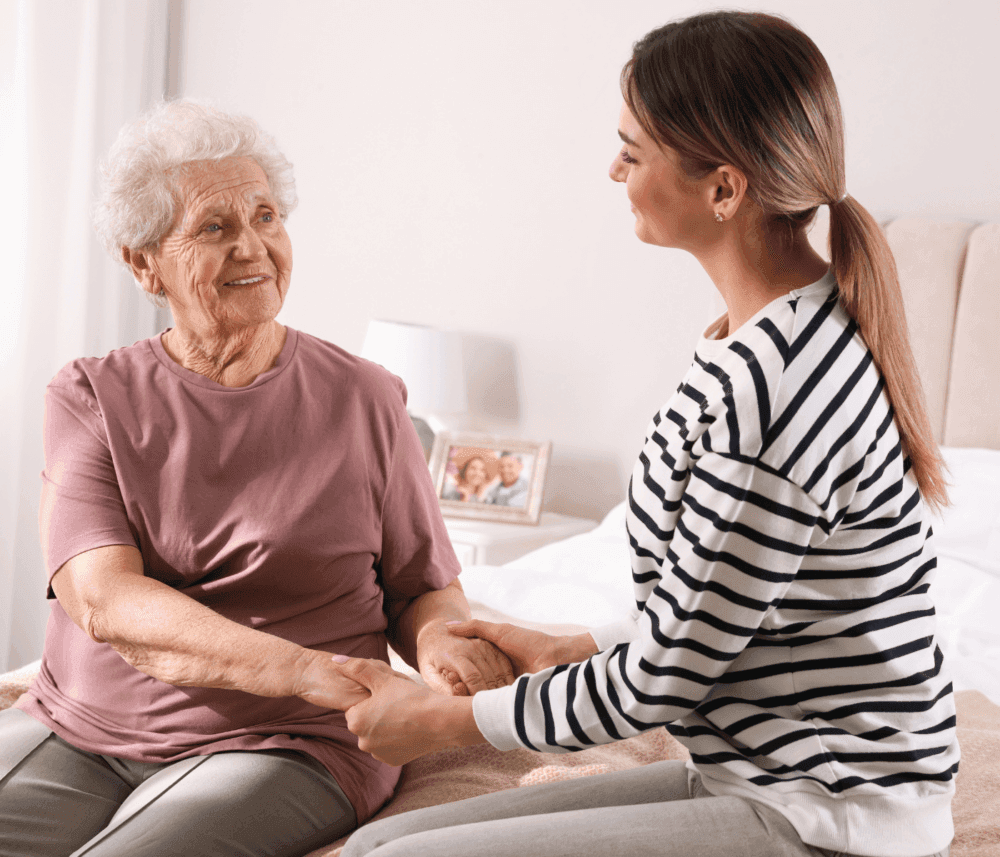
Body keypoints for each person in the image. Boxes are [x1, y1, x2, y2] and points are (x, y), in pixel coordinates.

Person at [337, 11, 957, 857]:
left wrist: (447, 722)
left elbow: (666, 679)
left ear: (726, 189)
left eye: (634, 150)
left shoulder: (775, 387)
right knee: (381, 847)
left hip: (823, 812)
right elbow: (725, 613)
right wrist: (568, 646)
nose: (614, 168)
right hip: (758, 774)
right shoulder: (769, 337)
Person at [0, 100, 513, 857]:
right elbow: (104, 599)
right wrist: (305, 668)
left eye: (267, 217)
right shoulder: (89, 395)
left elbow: (420, 586)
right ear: (144, 264)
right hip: (84, 728)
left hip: (287, 741)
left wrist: (441, 643)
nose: (255, 247)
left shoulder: (365, 396)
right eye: (216, 227)